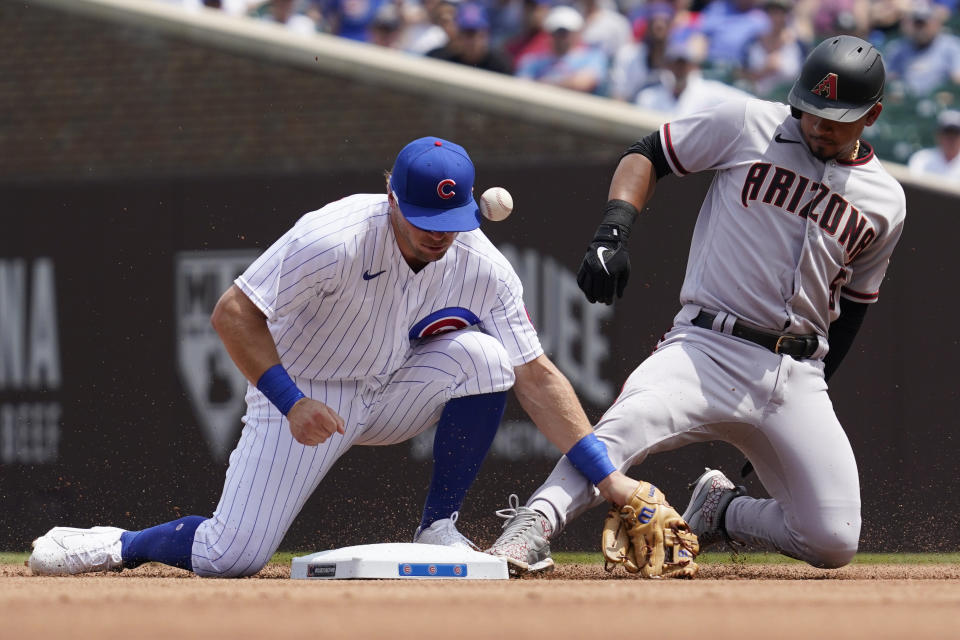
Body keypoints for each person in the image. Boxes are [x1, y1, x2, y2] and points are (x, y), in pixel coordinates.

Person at [28, 136, 636, 578]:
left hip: (393, 384)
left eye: (450, 219)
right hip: (304, 391)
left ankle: (439, 529)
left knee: (488, 360)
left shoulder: (479, 262)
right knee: (229, 556)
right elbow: (232, 314)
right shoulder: (333, 238)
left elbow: (536, 376)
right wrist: (290, 401)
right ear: (390, 196)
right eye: (424, 217)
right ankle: (119, 544)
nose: (438, 234)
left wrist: (610, 481)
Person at [487, 35, 906, 575]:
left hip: (795, 373)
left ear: (871, 115)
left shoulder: (886, 201)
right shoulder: (749, 122)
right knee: (621, 429)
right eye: (811, 110)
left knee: (833, 541)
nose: (819, 124)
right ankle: (532, 527)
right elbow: (648, 153)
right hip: (706, 348)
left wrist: (820, 377)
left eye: (836, 117)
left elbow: (853, 305)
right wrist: (613, 230)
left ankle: (723, 510)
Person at [635, 35, 752, 115]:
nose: (679, 69)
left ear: (692, 66)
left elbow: (747, 102)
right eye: (675, 64)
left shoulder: (708, 92)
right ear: (668, 66)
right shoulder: (649, 96)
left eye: (683, 64)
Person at [515, 5, 609, 95]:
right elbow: (522, 86)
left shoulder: (593, 57)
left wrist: (543, 85)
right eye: (557, 32)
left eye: (565, 32)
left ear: (577, 33)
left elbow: (583, 83)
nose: (560, 37)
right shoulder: (532, 61)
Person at [884, 0, 960, 95]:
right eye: (916, 24)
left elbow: (957, 81)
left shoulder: (951, 46)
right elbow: (887, 80)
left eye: (923, 23)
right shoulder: (897, 48)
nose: (920, 28)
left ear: (936, 23)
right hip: (907, 101)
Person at [426, 2, 514, 74]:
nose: (473, 40)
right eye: (468, 34)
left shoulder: (499, 65)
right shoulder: (440, 58)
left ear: (485, 35)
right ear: (459, 35)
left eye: (477, 33)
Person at [907, 108, 960, 178]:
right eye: (947, 133)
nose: (951, 139)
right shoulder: (921, 159)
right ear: (938, 135)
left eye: (955, 134)